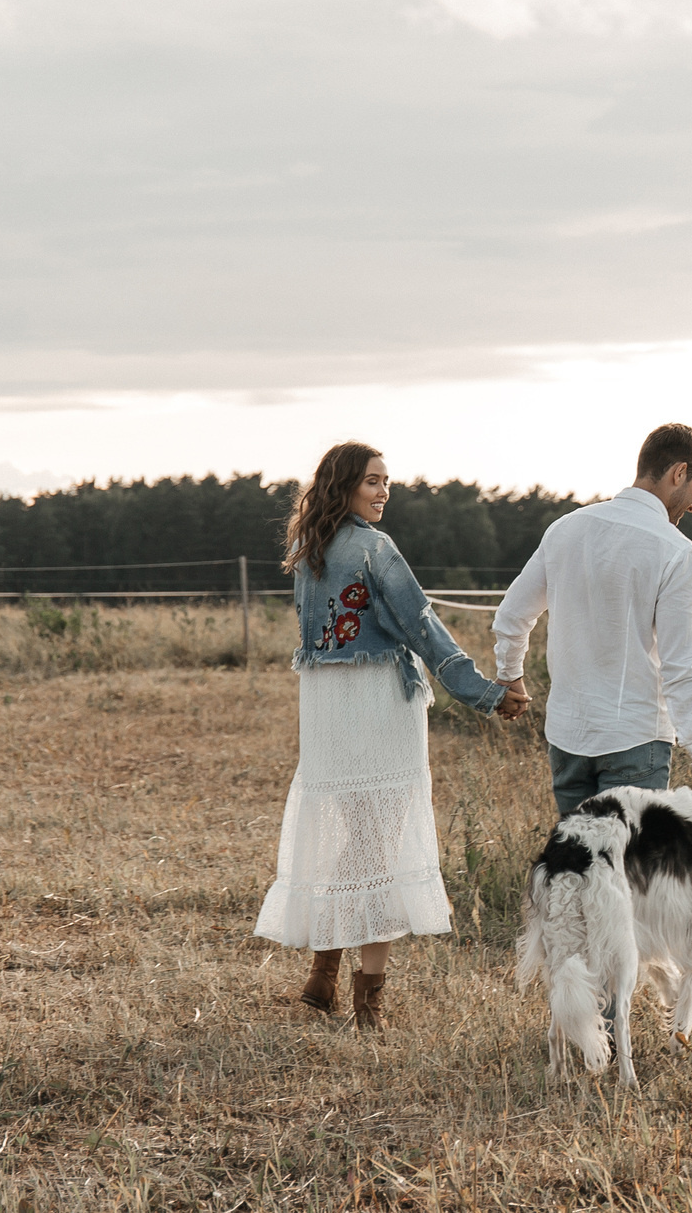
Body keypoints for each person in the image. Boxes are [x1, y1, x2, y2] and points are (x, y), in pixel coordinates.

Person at [255, 441, 528, 1029]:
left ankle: (323, 975)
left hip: (327, 717)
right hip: (378, 710)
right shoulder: (376, 549)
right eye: (373, 482)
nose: (384, 492)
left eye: (387, 482)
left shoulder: (309, 553)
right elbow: (422, 626)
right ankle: (367, 1004)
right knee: (379, 848)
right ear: (346, 485)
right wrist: (483, 691)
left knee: (355, 844)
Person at [492, 423, 692, 819]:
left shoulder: (565, 529)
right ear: (679, 473)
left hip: (567, 738)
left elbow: (513, 614)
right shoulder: (678, 552)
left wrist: (510, 672)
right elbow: (682, 665)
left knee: (577, 871)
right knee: (627, 876)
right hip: (635, 741)